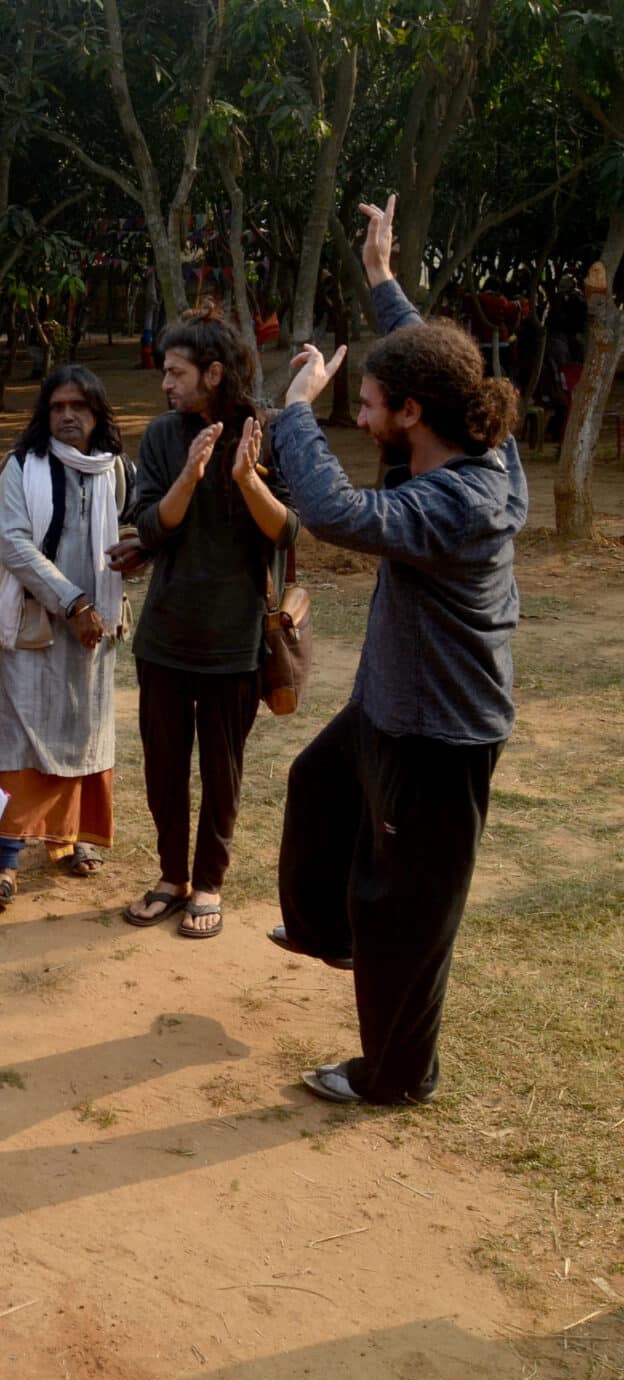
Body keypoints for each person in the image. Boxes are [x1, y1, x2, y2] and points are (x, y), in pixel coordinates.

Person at [268, 196, 526, 1106]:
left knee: (407, 919)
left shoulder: (459, 500)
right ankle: (327, 933)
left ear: (414, 413)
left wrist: (294, 412)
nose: (361, 413)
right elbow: (425, 347)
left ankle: (396, 1078)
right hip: (389, 703)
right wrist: (382, 278)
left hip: (438, 737)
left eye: (370, 403)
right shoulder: (465, 427)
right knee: (317, 786)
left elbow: (339, 515)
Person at [122, 310, 299, 938]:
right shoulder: (164, 436)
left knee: (222, 767)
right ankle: (172, 877)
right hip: (166, 633)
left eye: (176, 372)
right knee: (163, 765)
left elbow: (287, 531)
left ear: (214, 372)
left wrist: (245, 477)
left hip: (236, 639)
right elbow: (147, 526)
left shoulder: (270, 432)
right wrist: (189, 477)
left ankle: (210, 882)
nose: (165, 383)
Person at [0, 369, 131, 905]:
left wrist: (103, 600)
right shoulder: (21, 467)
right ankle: (10, 856)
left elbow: (130, 535)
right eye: (57, 406)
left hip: (97, 628)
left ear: (97, 415)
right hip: (39, 623)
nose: (68, 416)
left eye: (80, 406)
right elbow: (15, 547)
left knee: (85, 725)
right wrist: (74, 602)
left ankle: (73, 839)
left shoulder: (116, 471)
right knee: (24, 729)